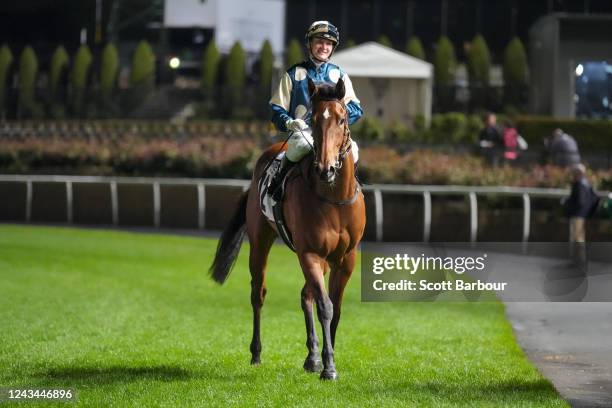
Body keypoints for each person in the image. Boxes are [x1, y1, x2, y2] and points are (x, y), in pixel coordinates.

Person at [267, 21, 363, 200]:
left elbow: (356, 108)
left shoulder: (340, 75)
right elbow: (276, 108)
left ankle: (353, 188)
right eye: (319, 42)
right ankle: (278, 183)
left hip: (333, 132)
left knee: (354, 149)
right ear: (309, 44)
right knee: (299, 146)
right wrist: (289, 122)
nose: (324, 47)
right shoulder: (293, 74)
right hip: (303, 131)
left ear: (333, 48)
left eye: (328, 43)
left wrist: (337, 118)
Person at [564, 163, 598, 269]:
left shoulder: (579, 184)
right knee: (579, 238)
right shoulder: (586, 183)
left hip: (578, 214)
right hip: (582, 214)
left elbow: (580, 201)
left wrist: (568, 204)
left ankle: (579, 261)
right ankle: (579, 260)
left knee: (577, 238)